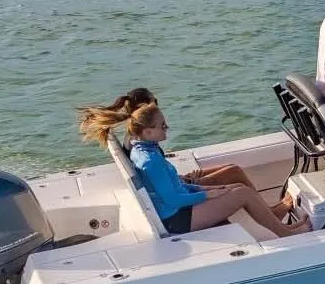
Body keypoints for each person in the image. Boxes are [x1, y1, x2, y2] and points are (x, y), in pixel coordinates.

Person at [79, 102, 310, 238]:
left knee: (234, 187)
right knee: (243, 193)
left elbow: (174, 188)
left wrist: (202, 187)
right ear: (147, 132)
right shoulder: (150, 160)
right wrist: (206, 193)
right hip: (177, 220)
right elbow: (172, 198)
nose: (166, 129)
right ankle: (287, 234)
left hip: (177, 210)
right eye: (162, 126)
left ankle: (281, 226)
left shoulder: (145, 149)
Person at [99, 87, 293, 220]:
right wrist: (193, 185)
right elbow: (165, 188)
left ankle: (269, 211)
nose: (158, 109)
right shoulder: (142, 148)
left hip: (176, 182)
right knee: (234, 173)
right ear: (142, 116)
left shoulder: (136, 138)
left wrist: (182, 177)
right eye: (153, 106)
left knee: (233, 170)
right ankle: (271, 213)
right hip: (180, 191)